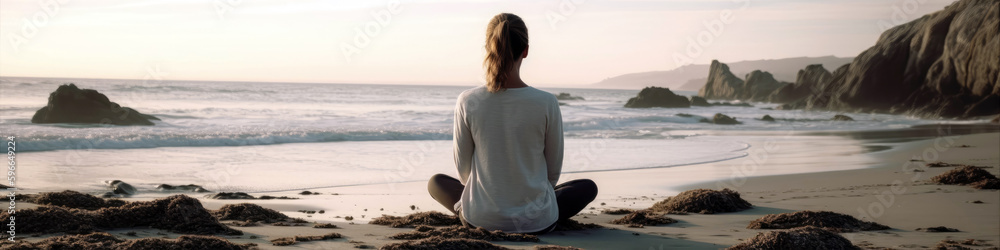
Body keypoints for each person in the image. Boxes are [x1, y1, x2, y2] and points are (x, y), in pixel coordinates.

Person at [427, 13, 598, 235]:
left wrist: (490, 194)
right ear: (525, 51)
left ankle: (481, 209)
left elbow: (463, 172)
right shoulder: (547, 102)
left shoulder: (467, 100)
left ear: (488, 47)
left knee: (436, 182)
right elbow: (552, 174)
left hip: (479, 220)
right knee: (586, 187)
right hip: (535, 222)